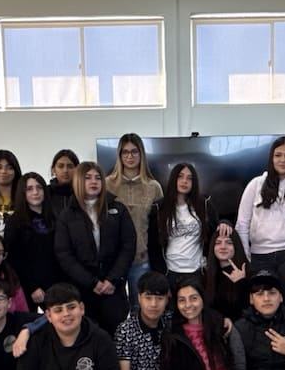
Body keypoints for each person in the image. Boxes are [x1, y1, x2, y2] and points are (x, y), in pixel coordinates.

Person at [54, 161, 136, 335]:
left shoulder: (118, 209)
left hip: (113, 288)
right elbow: (64, 254)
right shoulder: (67, 215)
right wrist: (91, 282)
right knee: (87, 336)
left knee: (117, 335)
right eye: (88, 178)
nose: (94, 181)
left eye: (98, 178)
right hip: (83, 290)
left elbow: (128, 246)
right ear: (78, 181)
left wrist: (112, 279)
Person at [235, 136, 285, 312]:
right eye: (278, 155)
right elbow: (242, 224)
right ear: (271, 158)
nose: (283, 160)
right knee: (262, 309)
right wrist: (245, 258)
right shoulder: (256, 184)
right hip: (259, 257)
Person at [104, 133, 162, 305]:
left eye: (134, 152)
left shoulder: (153, 187)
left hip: (141, 260)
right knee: (114, 310)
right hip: (113, 262)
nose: (130, 156)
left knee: (141, 308)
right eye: (125, 152)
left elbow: (158, 227)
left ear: (141, 154)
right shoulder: (107, 185)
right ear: (119, 155)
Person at [148, 163, 222, 292]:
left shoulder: (205, 205)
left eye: (189, 178)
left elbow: (217, 230)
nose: (184, 181)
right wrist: (161, 273)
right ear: (173, 179)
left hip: (197, 272)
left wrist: (226, 222)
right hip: (170, 272)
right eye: (180, 176)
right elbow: (153, 246)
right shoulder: (159, 208)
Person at [4, 172, 61, 310]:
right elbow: (14, 259)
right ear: (22, 193)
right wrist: (32, 287)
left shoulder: (55, 217)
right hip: (28, 286)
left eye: (39, 187)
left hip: (56, 283)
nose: (35, 192)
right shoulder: (14, 221)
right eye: (29, 189)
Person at [204, 227, 249, 322]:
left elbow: (249, 309)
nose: (223, 247)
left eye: (229, 243)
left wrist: (241, 283)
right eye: (218, 243)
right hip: (216, 325)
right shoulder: (206, 274)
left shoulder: (246, 270)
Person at [48, 149, 79, 215]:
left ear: (77, 169)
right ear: (53, 170)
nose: (65, 170)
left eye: (70, 166)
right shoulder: (46, 193)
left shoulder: (83, 192)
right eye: (60, 166)